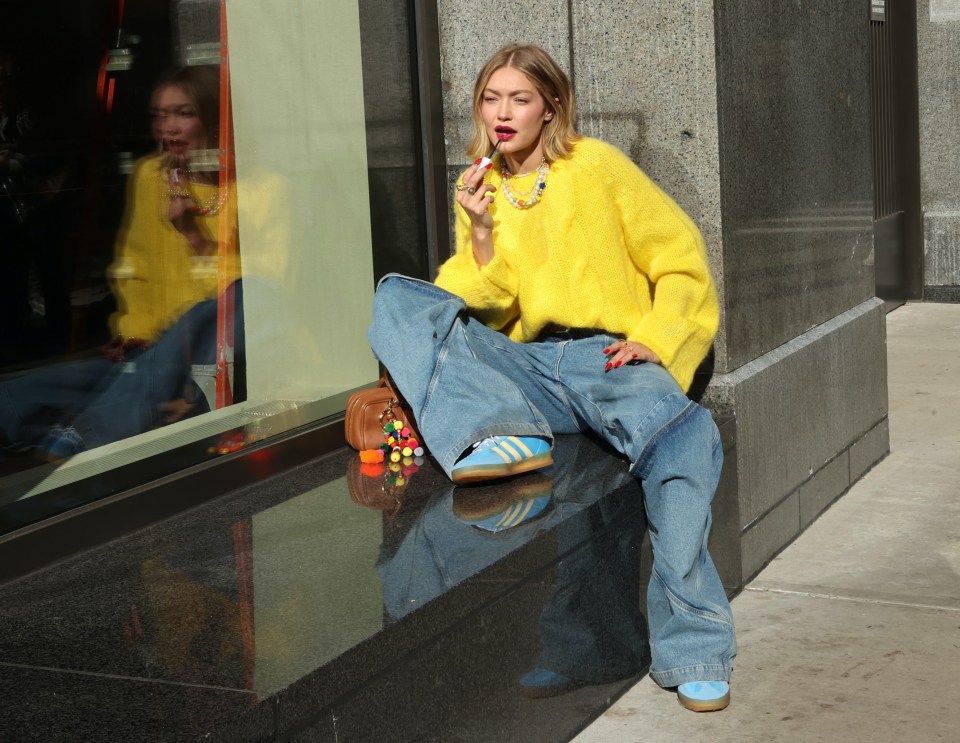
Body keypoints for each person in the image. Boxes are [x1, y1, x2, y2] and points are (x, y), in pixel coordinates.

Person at [367, 44, 735, 712]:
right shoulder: (481, 186)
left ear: (551, 108)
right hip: (529, 368)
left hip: (608, 359)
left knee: (684, 445)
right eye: (490, 98)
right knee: (397, 297)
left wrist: (657, 341)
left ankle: (694, 648)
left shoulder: (594, 167)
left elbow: (681, 257)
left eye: (520, 99)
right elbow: (484, 304)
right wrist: (480, 230)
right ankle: (497, 440)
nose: (502, 113)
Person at [0, 65, 241, 460]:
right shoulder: (150, 176)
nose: (168, 127)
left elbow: (240, 298)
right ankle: (109, 418)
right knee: (20, 393)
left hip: (206, 356)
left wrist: (192, 233)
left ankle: (87, 432)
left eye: (183, 113)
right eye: (160, 115)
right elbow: (136, 266)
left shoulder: (244, 186)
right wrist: (134, 332)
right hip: (150, 356)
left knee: (217, 307)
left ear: (212, 116)